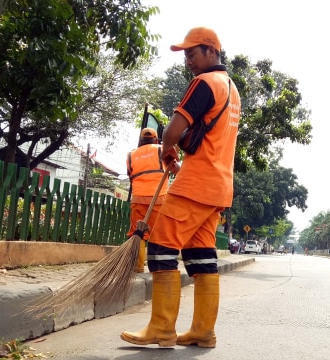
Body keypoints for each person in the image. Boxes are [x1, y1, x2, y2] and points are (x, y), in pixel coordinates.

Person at [120, 26, 241, 349]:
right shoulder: (231, 88)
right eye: (185, 53)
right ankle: (203, 331)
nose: (188, 59)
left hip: (195, 184)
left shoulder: (203, 83)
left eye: (193, 51)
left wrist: (167, 151)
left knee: (160, 248)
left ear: (212, 51)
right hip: (219, 188)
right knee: (201, 258)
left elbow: (173, 130)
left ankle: (161, 328)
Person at [125, 127, 167, 273]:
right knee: (157, 234)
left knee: (139, 234)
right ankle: (156, 268)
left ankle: (138, 267)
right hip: (159, 199)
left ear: (141, 140)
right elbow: (174, 165)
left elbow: (130, 175)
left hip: (137, 199)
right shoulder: (161, 149)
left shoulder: (131, 155)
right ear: (156, 139)